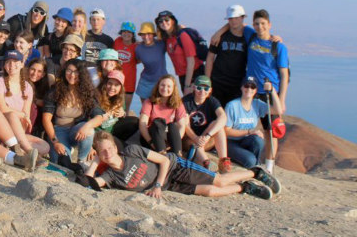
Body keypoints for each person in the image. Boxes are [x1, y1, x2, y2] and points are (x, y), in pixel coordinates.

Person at [81, 130, 280, 200]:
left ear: (115, 147)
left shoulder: (132, 151)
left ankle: (255, 173)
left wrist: (158, 185)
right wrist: (96, 161)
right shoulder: (110, 176)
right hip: (169, 186)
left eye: (109, 148)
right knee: (210, 192)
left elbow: (165, 159)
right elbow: (89, 183)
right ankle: (244, 187)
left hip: (175, 168)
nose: (107, 153)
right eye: (102, 151)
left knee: (218, 181)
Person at [245, 9, 289, 170]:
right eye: (256, 23)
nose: (260, 26)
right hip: (251, 90)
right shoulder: (250, 36)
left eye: (263, 23)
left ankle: (269, 166)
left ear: (269, 25)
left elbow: (284, 74)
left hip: (270, 93)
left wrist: (282, 99)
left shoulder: (278, 46)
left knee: (270, 131)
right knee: (245, 125)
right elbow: (235, 25)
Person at [42, 58, 104, 169]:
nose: (72, 75)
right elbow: (46, 119)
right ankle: (66, 157)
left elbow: (99, 116)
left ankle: (82, 161)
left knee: (89, 130)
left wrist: (87, 125)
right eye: (69, 71)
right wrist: (55, 142)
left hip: (77, 131)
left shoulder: (87, 92)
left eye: (76, 72)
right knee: (61, 164)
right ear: (64, 71)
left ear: (82, 74)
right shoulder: (55, 91)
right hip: (58, 131)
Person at [0, 51, 49, 157]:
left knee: (45, 146)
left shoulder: (28, 87)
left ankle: (18, 148)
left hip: (18, 131)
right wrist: (22, 115)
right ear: (4, 65)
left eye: (15, 62)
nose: (11, 65)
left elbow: (26, 116)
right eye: (8, 62)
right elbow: (2, 108)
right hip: (2, 127)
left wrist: (22, 126)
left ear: (22, 64)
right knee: (12, 115)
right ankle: (28, 151)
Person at [224, 76, 284, 169]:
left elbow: (277, 110)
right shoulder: (232, 106)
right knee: (250, 160)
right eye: (246, 86)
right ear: (241, 87)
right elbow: (226, 131)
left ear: (256, 90)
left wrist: (272, 90)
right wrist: (249, 132)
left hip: (247, 141)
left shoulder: (257, 104)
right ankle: (253, 164)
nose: (249, 89)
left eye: (252, 87)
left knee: (258, 140)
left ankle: (252, 163)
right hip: (231, 142)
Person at [182, 76, 231, 173]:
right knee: (194, 143)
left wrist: (207, 136)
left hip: (205, 138)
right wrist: (196, 138)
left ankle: (223, 161)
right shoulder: (185, 101)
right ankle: (206, 162)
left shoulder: (212, 101)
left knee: (218, 126)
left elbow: (223, 117)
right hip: (190, 139)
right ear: (193, 88)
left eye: (206, 88)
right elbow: (184, 124)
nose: (202, 91)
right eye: (199, 88)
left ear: (210, 90)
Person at [205, 5, 249, 106]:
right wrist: (208, 81)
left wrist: (274, 38)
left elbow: (261, 36)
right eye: (231, 18)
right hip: (217, 82)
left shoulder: (248, 37)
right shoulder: (219, 37)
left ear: (242, 18)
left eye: (237, 18)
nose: (234, 21)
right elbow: (210, 58)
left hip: (237, 85)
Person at [155, 10, 203, 96]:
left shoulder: (182, 36)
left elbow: (191, 62)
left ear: (173, 21)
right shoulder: (167, 38)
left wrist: (187, 85)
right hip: (182, 76)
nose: (164, 22)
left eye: (166, 20)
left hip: (195, 74)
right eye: (160, 21)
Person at [138, 75, 188, 157]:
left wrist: (173, 142)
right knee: (158, 122)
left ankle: (178, 156)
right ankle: (162, 155)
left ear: (173, 89)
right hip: (152, 137)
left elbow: (182, 126)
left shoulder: (178, 103)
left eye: (169, 86)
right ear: (158, 86)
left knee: (172, 125)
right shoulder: (149, 102)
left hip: (167, 139)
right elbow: (142, 124)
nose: (165, 89)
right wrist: (151, 142)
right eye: (162, 85)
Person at [97, 70, 139, 143]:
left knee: (135, 121)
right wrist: (110, 111)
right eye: (110, 83)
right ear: (105, 84)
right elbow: (93, 120)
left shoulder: (120, 98)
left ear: (120, 88)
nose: (112, 87)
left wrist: (123, 113)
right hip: (99, 131)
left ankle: (119, 140)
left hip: (112, 128)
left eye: (116, 85)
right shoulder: (97, 98)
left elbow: (122, 115)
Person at [134, 22, 167, 101]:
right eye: (143, 34)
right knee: (145, 108)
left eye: (149, 34)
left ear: (153, 34)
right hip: (145, 82)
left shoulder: (161, 44)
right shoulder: (138, 49)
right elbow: (137, 60)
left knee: (160, 109)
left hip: (161, 81)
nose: (146, 37)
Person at [113, 21, 138, 114]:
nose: (126, 34)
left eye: (129, 32)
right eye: (124, 31)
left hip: (129, 79)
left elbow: (138, 60)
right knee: (114, 105)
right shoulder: (117, 41)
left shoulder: (136, 46)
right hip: (116, 79)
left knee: (125, 109)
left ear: (132, 34)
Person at [27, 58, 49, 136]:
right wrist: (35, 101)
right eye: (33, 69)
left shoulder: (45, 86)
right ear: (28, 69)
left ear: (43, 74)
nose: (35, 73)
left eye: (39, 71)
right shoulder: (22, 82)